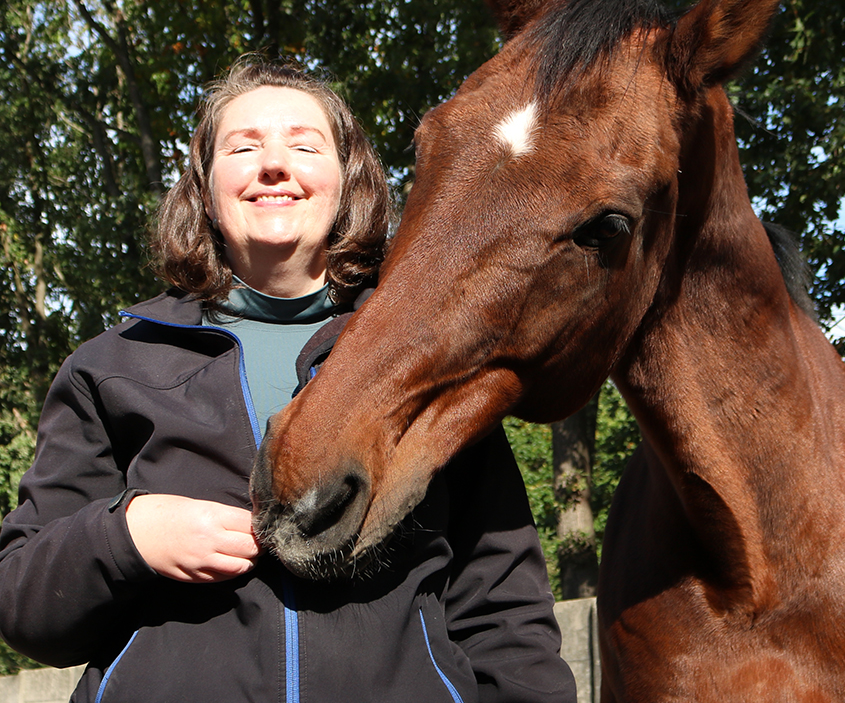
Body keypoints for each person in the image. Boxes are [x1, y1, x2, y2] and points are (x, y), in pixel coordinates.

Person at [0, 57, 577, 703]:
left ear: (347, 180)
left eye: (304, 145)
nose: (274, 164)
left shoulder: (432, 360)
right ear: (205, 188)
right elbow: (23, 603)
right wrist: (127, 535)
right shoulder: (111, 367)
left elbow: (508, 618)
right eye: (243, 147)